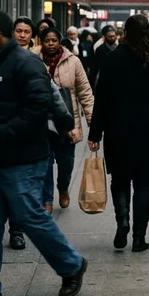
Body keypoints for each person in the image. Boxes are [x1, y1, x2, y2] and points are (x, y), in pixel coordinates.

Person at [0, 10, 87, 296]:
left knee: (29, 216)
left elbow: (39, 108)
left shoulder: (25, 63)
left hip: (24, 157)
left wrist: (69, 127)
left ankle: (71, 265)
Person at [89, 14, 149, 253]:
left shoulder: (112, 60)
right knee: (143, 183)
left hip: (118, 129)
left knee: (119, 179)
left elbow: (102, 99)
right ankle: (139, 237)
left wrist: (95, 132)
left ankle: (123, 221)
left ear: (125, 34)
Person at [38, 28, 94, 211]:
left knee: (66, 163)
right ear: (42, 42)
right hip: (42, 122)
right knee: (45, 162)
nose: (51, 43)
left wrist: (92, 122)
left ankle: (63, 188)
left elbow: (85, 92)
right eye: (47, 40)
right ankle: (47, 198)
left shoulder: (73, 61)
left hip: (68, 122)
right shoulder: (33, 59)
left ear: (60, 42)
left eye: (54, 40)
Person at [5, 17, 36, 251]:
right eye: (19, 31)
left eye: (26, 31)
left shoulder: (33, 59)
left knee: (19, 197)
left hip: (20, 142)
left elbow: (47, 101)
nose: (22, 35)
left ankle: (17, 231)